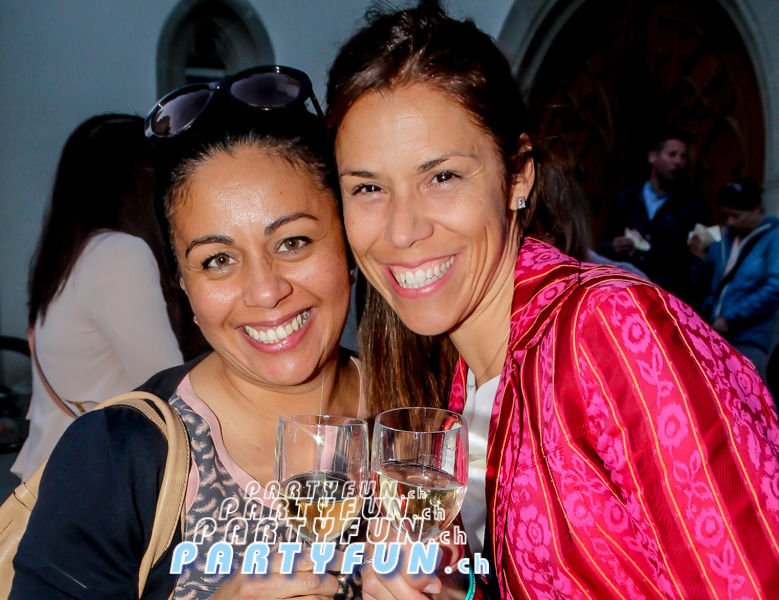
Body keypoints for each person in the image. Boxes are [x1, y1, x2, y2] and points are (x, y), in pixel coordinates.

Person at [326, 3, 779, 599]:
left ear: (518, 175)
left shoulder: (608, 331)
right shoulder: (456, 377)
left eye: (442, 177)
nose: (401, 230)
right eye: (368, 187)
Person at [10, 66, 363, 600]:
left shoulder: (428, 409)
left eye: (293, 242)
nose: (265, 291)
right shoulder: (114, 459)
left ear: (348, 242)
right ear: (183, 284)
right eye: (218, 259)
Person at [11, 114, 187, 481]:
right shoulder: (119, 254)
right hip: (94, 481)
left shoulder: (68, 255)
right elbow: (169, 389)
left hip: (56, 472)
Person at [597, 127, 710, 306]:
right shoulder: (627, 199)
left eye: (683, 157)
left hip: (667, 297)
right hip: (627, 293)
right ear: (653, 157)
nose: (678, 162)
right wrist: (615, 246)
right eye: (672, 155)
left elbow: (697, 259)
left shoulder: (692, 204)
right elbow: (602, 245)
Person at [690, 179, 779, 380]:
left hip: (749, 337)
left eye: (736, 215)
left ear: (755, 208)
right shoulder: (725, 238)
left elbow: (774, 288)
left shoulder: (773, 237)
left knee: (747, 391)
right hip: (715, 333)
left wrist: (731, 318)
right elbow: (706, 285)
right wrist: (700, 259)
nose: (730, 222)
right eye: (726, 215)